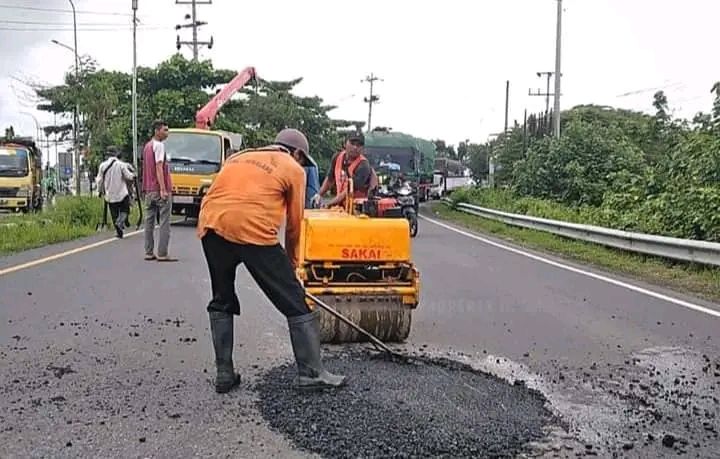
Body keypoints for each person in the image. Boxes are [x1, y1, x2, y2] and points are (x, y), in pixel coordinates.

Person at [196, 128, 347, 394]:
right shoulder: (293, 167)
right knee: (295, 302)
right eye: (303, 159)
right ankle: (311, 374)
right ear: (297, 153)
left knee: (222, 298)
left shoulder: (238, 157)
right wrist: (290, 263)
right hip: (253, 230)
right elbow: (294, 224)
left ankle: (224, 373)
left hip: (212, 226)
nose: (302, 164)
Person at [142, 120, 176, 262]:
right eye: (165, 130)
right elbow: (158, 167)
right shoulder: (159, 146)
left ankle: (149, 252)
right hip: (159, 189)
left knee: (149, 222)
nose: (167, 133)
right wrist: (163, 189)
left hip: (149, 190)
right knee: (164, 222)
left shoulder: (147, 146)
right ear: (157, 131)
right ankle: (162, 253)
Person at [313, 131, 375, 208]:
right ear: (345, 143)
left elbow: (348, 191)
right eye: (352, 143)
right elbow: (330, 180)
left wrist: (328, 204)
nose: (355, 147)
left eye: (359, 145)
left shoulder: (363, 165)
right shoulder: (337, 157)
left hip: (357, 209)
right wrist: (319, 195)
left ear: (362, 148)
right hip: (341, 206)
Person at [96, 146, 135, 238]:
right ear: (116, 154)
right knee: (125, 210)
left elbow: (99, 181)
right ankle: (120, 222)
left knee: (114, 214)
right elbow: (129, 176)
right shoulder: (121, 165)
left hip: (110, 195)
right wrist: (134, 175)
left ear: (107, 155)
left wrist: (99, 191)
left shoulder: (102, 166)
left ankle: (119, 232)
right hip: (122, 193)